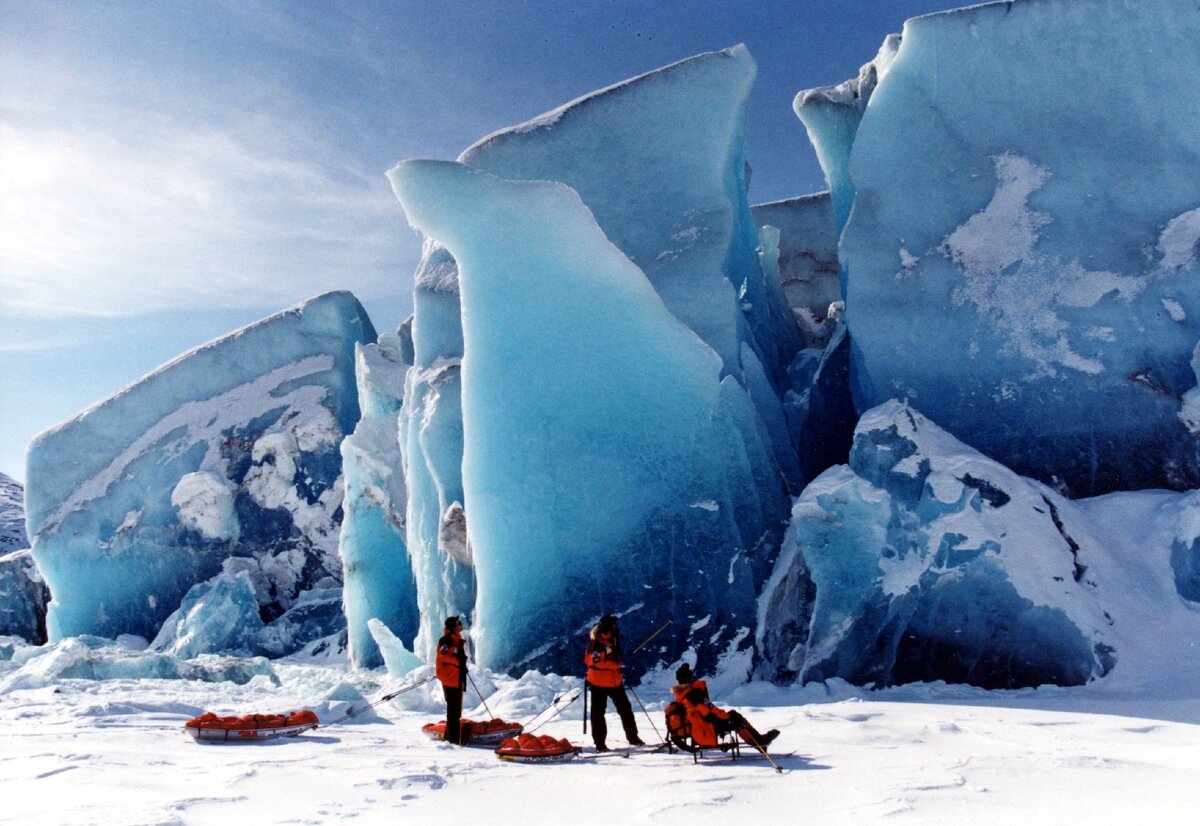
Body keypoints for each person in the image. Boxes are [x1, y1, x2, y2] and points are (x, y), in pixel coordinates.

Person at [672, 663, 778, 749]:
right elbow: (710, 710)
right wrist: (725, 716)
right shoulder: (695, 694)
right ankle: (759, 742)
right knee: (736, 718)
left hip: (701, 727)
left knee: (733, 716)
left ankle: (758, 741)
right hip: (708, 727)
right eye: (691, 676)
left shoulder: (681, 695)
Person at [584, 614, 644, 752]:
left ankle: (632, 738)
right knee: (599, 713)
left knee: (624, 710)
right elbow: (594, 662)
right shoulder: (596, 643)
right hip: (600, 682)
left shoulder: (611, 639)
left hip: (613, 681)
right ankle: (600, 744)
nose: (615, 627)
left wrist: (616, 666)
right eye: (613, 625)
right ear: (608, 628)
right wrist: (616, 666)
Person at [436, 615, 468, 746]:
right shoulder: (446, 640)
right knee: (453, 709)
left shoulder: (456, 639)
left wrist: (461, 665)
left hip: (456, 677)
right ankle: (452, 739)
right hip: (450, 678)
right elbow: (443, 656)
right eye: (458, 623)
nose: (461, 625)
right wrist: (458, 662)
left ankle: (452, 736)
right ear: (453, 627)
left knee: (456, 709)